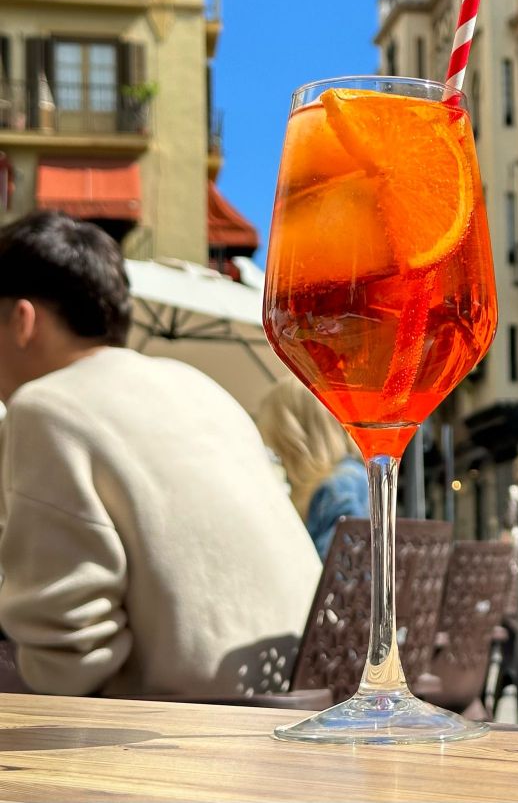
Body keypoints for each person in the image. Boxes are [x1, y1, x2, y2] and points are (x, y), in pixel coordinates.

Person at [0, 211, 321, 698]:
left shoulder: (46, 406)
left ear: (23, 321)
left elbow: (65, 662)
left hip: (182, 733)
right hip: (300, 698)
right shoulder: (199, 386)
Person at [257, 374, 369, 558]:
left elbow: (333, 572)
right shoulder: (349, 477)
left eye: (276, 449)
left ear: (292, 439)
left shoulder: (338, 485)